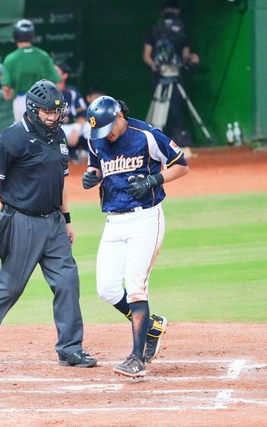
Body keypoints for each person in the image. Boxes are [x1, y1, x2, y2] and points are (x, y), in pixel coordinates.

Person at [0, 79, 97, 369]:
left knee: (67, 281)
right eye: (47, 112)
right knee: (10, 286)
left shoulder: (58, 136)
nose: (52, 117)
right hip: (21, 222)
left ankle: (70, 348)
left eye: (56, 112)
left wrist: (67, 220)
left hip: (54, 223)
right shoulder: (12, 137)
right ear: (33, 109)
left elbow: (61, 182)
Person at [82, 96, 189, 378]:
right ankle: (152, 326)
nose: (106, 135)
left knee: (135, 287)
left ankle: (137, 359)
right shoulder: (96, 139)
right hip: (114, 220)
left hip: (145, 219)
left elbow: (181, 164)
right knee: (107, 289)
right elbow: (96, 165)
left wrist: (154, 180)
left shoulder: (147, 135)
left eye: (108, 128)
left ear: (119, 116)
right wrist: (92, 176)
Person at [142, 0, 199, 158]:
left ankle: (179, 141)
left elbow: (185, 55)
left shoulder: (181, 31)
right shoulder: (154, 30)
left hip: (175, 76)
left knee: (176, 109)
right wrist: (154, 65)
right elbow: (147, 55)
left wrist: (190, 58)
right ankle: (153, 143)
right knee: (159, 110)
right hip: (159, 77)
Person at [1, 19, 60, 123]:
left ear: (15, 36)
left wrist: (9, 95)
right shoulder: (43, 55)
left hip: (21, 101)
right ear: (32, 36)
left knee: (22, 131)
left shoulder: (10, 58)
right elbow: (55, 83)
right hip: (43, 102)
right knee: (43, 131)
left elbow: (6, 88)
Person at [55, 63, 88, 162]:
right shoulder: (45, 91)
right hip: (52, 129)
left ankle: (90, 154)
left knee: (89, 127)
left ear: (65, 75)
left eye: (56, 71)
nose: (51, 73)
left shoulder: (71, 92)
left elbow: (82, 113)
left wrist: (76, 129)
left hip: (69, 128)